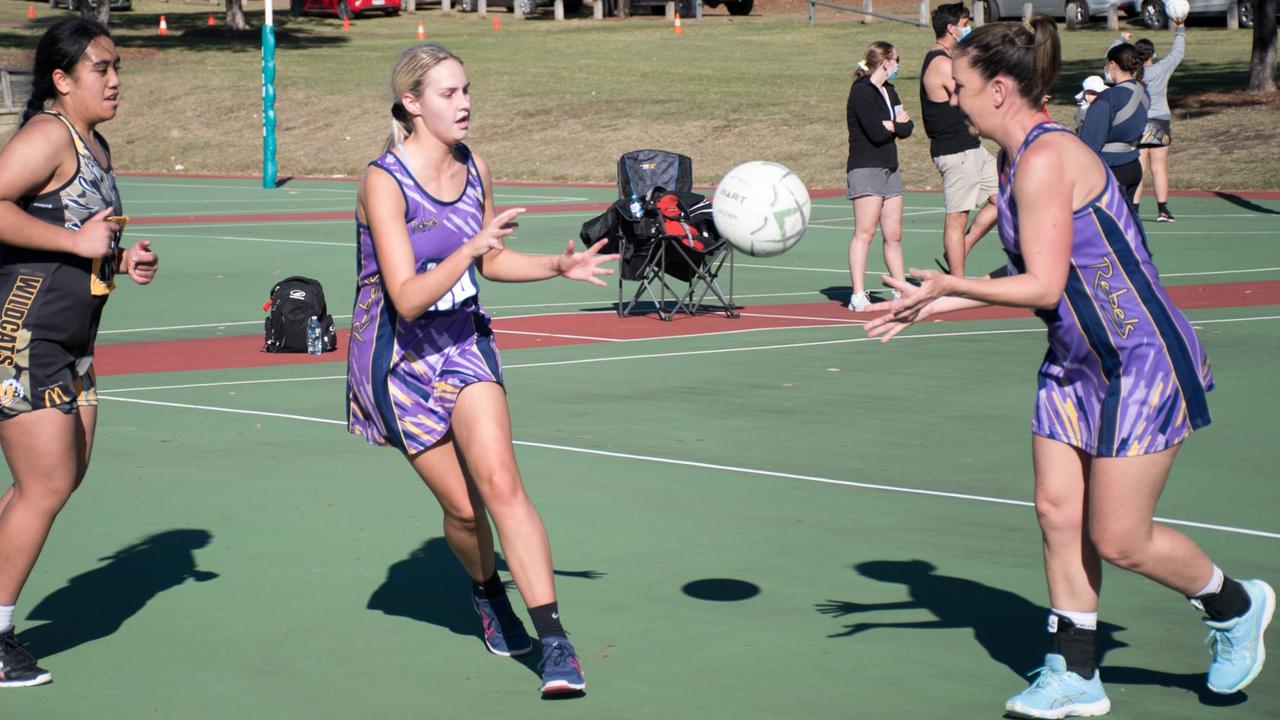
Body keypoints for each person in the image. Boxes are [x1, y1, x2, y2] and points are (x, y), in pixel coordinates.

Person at [865, 17, 1273, 719]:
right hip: (1076, 361)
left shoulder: (1049, 158)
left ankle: (1236, 606)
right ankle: (1075, 673)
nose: (949, 97)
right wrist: (937, 304)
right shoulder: (1015, 159)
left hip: (1139, 358)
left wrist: (952, 286)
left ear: (998, 89)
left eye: (958, 87)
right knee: (1058, 513)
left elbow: (1046, 286)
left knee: (1120, 538)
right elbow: (1033, 269)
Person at [346, 43, 616, 696]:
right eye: (447, 93)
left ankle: (555, 641)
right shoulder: (383, 182)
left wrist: (556, 265)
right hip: (396, 357)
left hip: (463, 344)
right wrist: (469, 247)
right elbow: (407, 296)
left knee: (500, 481)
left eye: (466, 90)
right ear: (412, 104)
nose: (463, 103)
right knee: (466, 514)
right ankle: (486, 590)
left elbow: (494, 262)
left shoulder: (474, 167)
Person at [0, 17, 158, 688]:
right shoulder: (45, 135)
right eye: (101, 68)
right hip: (25, 334)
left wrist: (124, 259)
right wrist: (78, 247)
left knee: (60, 479)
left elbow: (83, 233)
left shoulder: (97, 146)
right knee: (46, 483)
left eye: (117, 65)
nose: (115, 78)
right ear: (62, 81)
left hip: (75, 341)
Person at [921, 3, 998, 279]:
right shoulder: (941, 63)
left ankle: (962, 246)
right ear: (951, 28)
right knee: (958, 216)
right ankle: (957, 282)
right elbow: (969, 96)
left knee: (1004, 200)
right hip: (955, 151)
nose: (969, 27)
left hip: (973, 147)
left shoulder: (953, 57)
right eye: (965, 23)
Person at [844, 41, 913, 312]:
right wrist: (894, 126)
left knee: (893, 234)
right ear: (885, 61)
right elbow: (875, 132)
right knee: (865, 232)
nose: (898, 64)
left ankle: (900, 290)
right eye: (896, 59)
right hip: (866, 166)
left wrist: (894, 126)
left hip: (890, 166)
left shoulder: (891, 91)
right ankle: (858, 295)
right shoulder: (861, 92)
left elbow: (907, 127)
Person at [1120, 21, 1187, 222]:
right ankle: (1163, 210)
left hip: (1138, 123)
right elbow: (1178, 53)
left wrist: (1121, 40)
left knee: (1138, 170)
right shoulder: (1162, 69)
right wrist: (1180, 28)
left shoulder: (1130, 72)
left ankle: (1134, 211)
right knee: (1159, 168)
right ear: (1153, 54)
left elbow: (1111, 60)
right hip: (1160, 123)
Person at [1080, 42, 1149, 218]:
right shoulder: (1143, 93)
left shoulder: (1108, 98)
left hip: (1111, 167)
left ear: (1112, 65)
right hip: (1133, 164)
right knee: (1128, 225)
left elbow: (1090, 143)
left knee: (1106, 227)